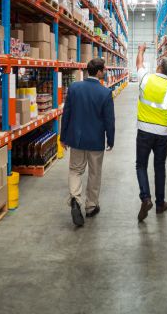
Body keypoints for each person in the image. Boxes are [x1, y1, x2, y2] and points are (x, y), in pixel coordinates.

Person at [60, 58, 115, 227]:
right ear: (98, 72)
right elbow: (109, 120)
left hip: (76, 139)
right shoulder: (105, 93)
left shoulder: (74, 88)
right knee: (94, 173)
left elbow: (66, 113)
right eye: (103, 70)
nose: (104, 72)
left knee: (75, 170)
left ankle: (75, 199)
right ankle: (91, 207)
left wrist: (63, 137)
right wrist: (110, 139)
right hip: (95, 140)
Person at [135, 43, 167, 222]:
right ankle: (160, 204)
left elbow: (139, 64)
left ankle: (146, 198)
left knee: (141, 166)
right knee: (159, 168)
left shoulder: (145, 78)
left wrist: (141, 50)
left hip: (144, 131)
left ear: (159, 67)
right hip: (162, 133)